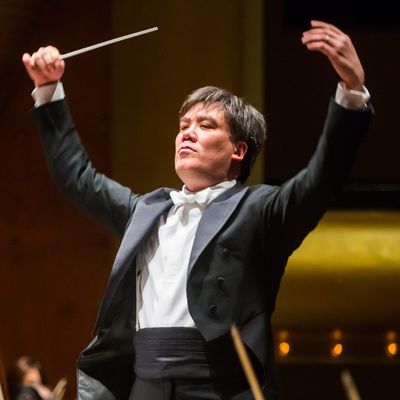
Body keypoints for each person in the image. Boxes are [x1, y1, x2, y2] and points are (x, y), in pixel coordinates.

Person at [22, 20, 372, 400]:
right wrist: (48, 89)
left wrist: (351, 92)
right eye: (183, 124)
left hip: (219, 387)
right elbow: (77, 177)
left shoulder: (260, 210)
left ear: (238, 150)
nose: (187, 132)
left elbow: (320, 181)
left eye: (205, 125)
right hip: (145, 384)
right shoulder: (146, 210)